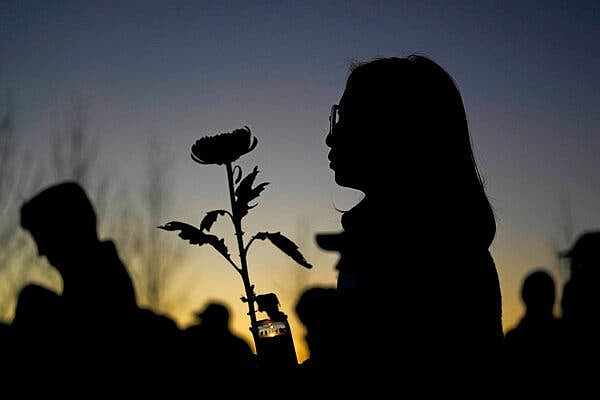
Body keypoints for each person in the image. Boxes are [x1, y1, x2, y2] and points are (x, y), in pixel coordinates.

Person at [318, 54, 504, 388]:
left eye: (346, 119)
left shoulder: (421, 257)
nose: (331, 137)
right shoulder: (434, 243)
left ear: (392, 130)